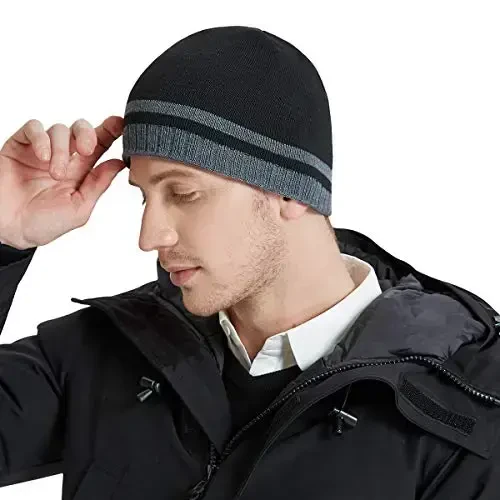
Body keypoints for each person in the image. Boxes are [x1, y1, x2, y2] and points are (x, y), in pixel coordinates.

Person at [0, 25, 499, 500]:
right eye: (145, 196)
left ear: (290, 191)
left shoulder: (469, 412)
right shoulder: (109, 349)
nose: (150, 236)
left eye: (184, 193)